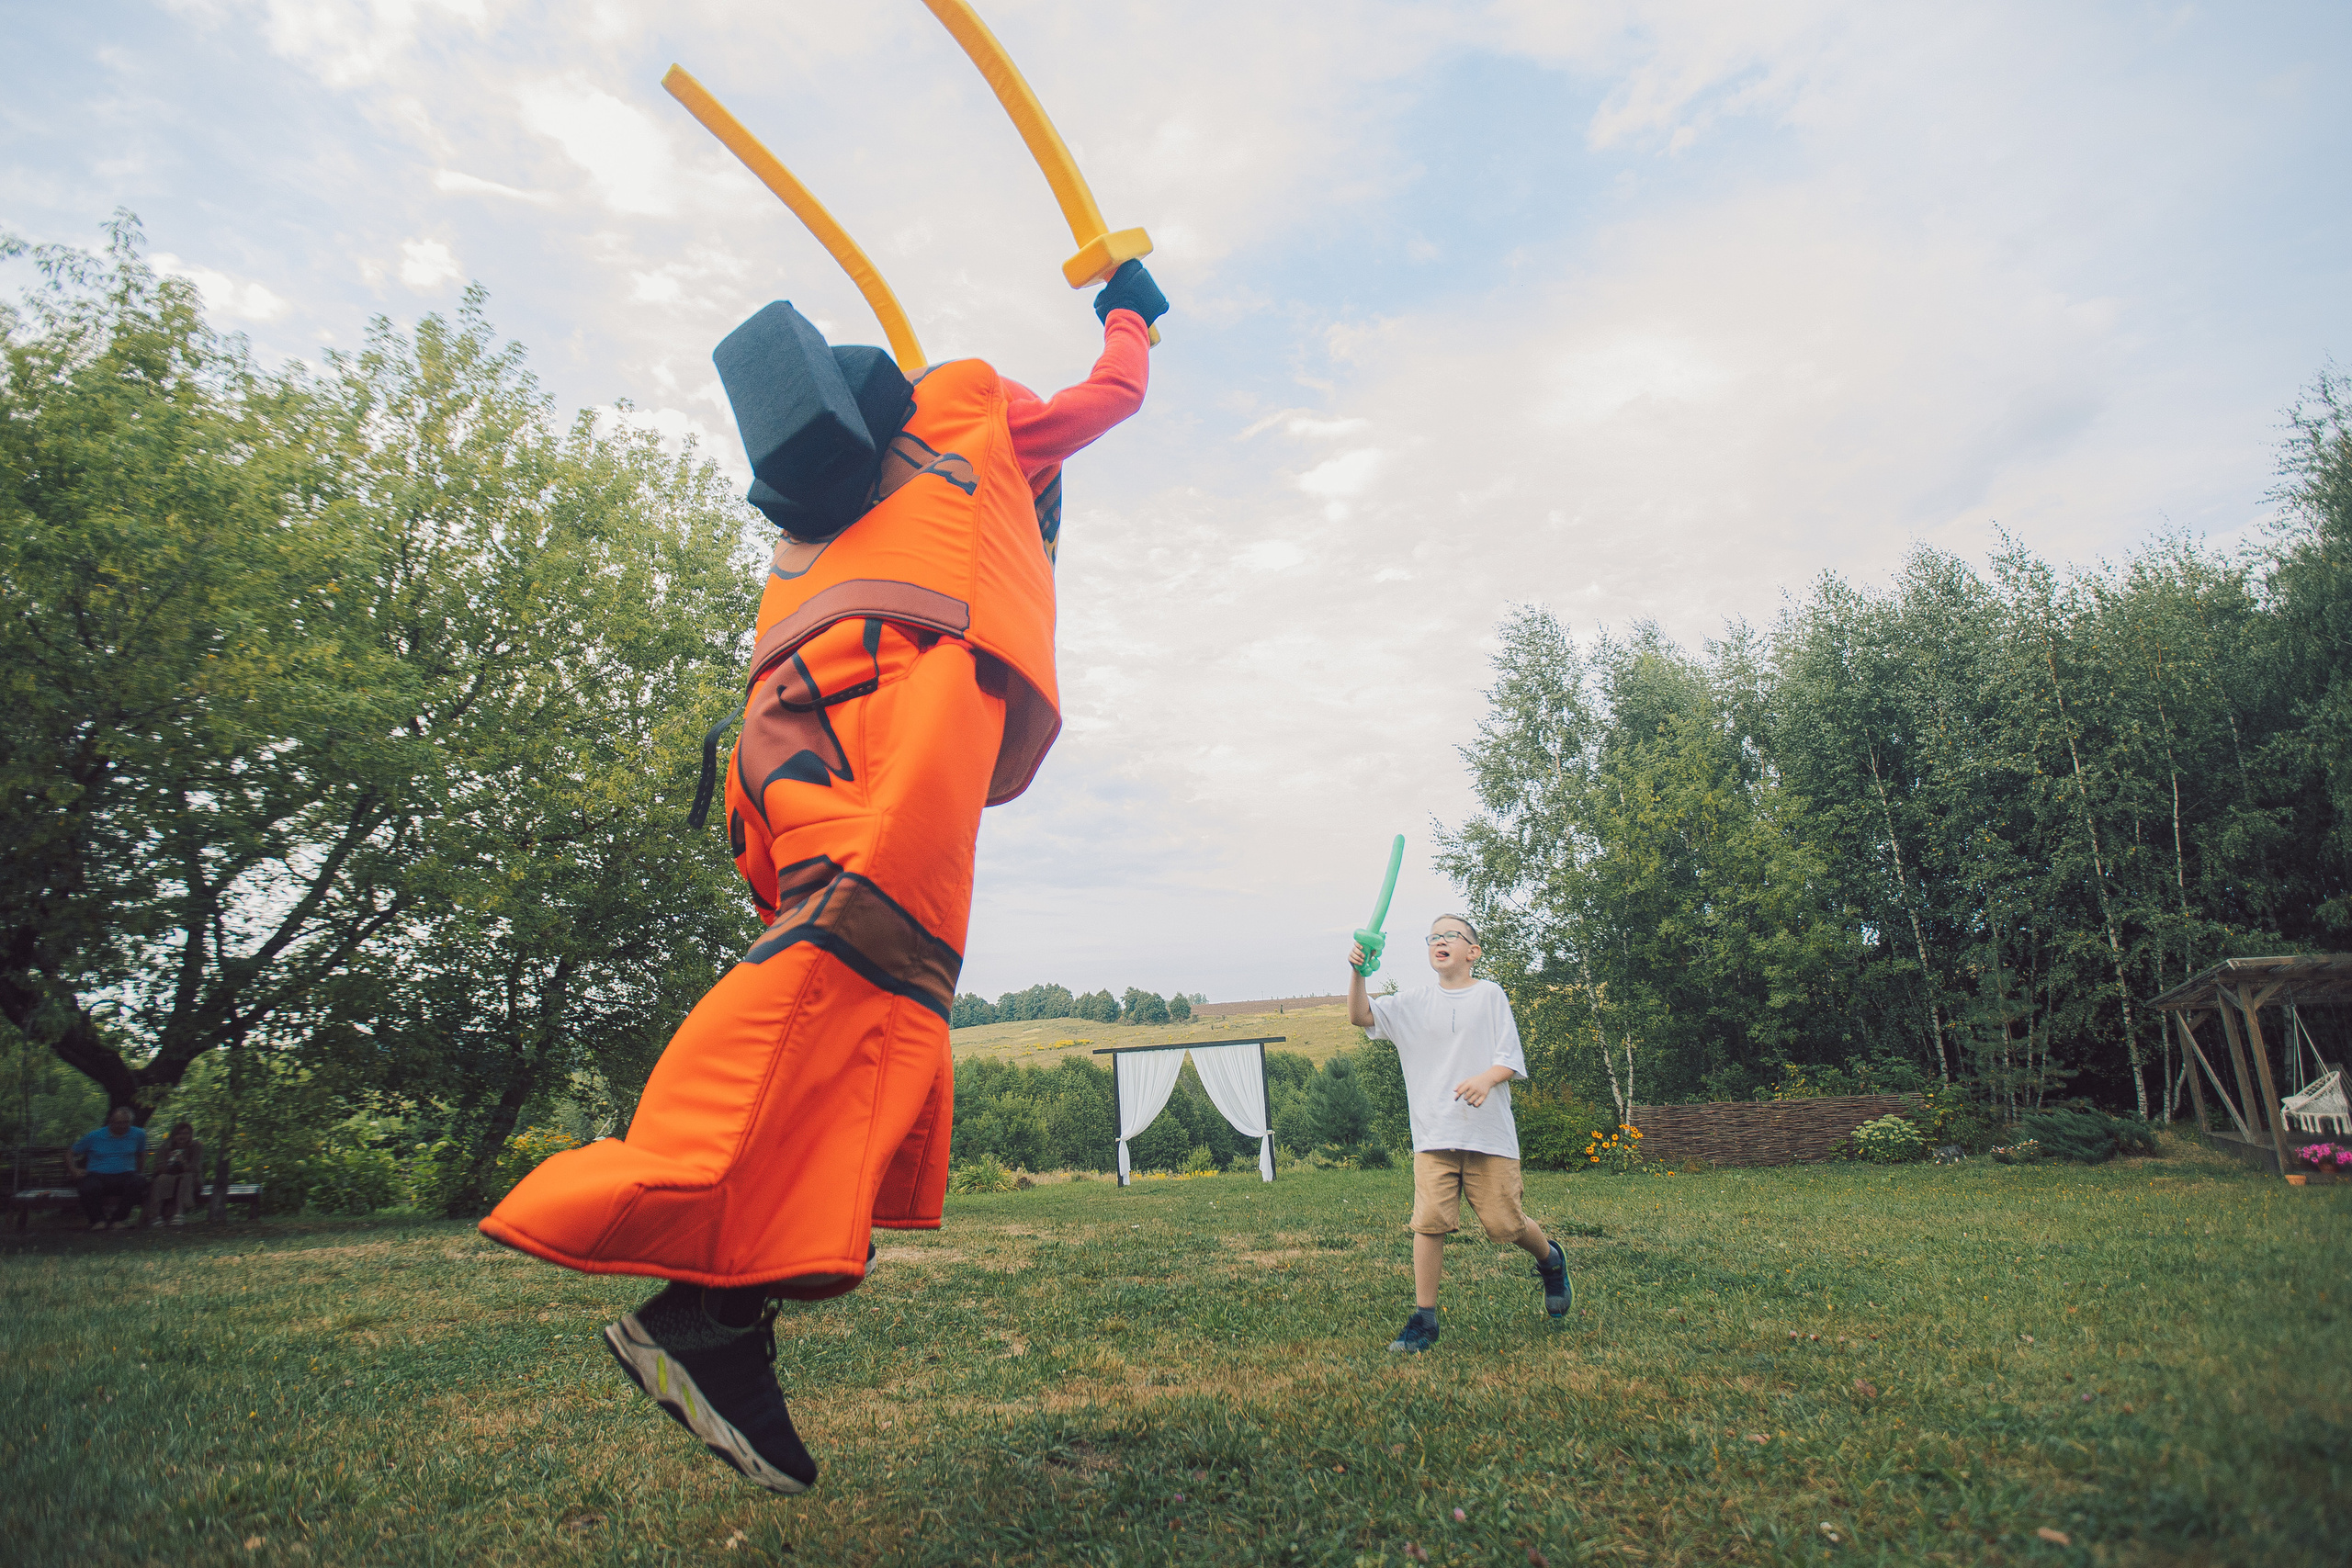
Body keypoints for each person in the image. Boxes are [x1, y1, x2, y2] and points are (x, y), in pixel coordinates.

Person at [480, 261, 1170, 1495]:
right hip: (891, 712)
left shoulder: (821, 522)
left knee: (870, 985)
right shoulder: (969, 411)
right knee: (859, 954)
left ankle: (725, 1318)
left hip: (790, 739)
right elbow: (1107, 397)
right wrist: (1132, 306)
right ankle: (673, 1246)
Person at [1348, 914, 1572, 1353]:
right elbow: (1360, 1015)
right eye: (1433, 936)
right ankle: (1424, 1319)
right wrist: (1358, 971)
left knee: (1505, 1225)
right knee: (1428, 1222)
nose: (1440, 940)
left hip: (1488, 1137)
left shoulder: (1489, 995)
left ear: (1474, 951)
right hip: (1434, 1136)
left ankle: (1550, 1259)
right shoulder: (1412, 1001)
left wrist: (1486, 1079)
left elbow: (1509, 1058)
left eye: (1451, 935)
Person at [68, 1105, 149, 1231]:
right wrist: (74, 1170)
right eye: (119, 1123)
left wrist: (139, 1172)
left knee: (138, 1182)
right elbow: (70, 1153)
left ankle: (118, 1220)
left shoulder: (138, 1134)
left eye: (126, 1122)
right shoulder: (94, 1136)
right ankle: (98, 1221)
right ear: (111, 1121)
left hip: (125, 1175)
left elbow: (141, 1154)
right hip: (98, 1175)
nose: (123, 1126)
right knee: (88, 1186)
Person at [147, 1122, 206, 1226]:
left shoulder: (196, 1146)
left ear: (190, 1135)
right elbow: (158, 1168)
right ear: (174, 1135)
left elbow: (195, 1169)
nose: (182, 1136)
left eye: (186, 1133)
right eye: (179, 1133)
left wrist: (182, 1161)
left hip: (191, 1179)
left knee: (186, 1178)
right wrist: (169, 1161)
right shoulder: (166, 1146)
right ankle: (156, 1215)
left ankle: (178, 1214)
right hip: (169, 1175)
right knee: (161, 1179)